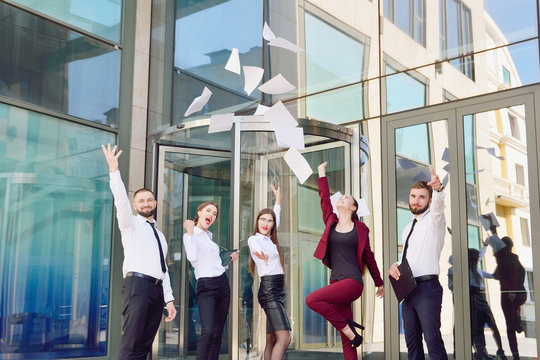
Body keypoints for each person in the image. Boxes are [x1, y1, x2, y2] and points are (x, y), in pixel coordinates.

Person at [101, 144, 177, 360]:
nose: (146, 203)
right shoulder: (130, 224)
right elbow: (120, 202)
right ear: (135, 205)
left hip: (156, 289)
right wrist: (114, 170)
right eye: (141, 201)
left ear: (155, 203)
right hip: (137, 287)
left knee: (145, 344)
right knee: (131, 342)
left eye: (149, 200)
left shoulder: (160, 235)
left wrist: (169, 300)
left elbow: (164, 270)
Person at [306, 162, 384, 360]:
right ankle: (350, 331)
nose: (341, 199)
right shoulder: (330, 222)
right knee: (347, 340)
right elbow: (324, 198)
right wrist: (321, 172)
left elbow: (369, 256)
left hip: (352, 282)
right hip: (336, 281)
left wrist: (379, 282)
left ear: (353, 207)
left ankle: (350, 331)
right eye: (340, 197)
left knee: (312, 299)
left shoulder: (361, 229)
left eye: (346, 198)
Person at [389, 167, 447, 360]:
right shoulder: (407, 228)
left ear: (429, 201)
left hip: (428, 289)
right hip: (409, 289)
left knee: (433, 341)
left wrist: (438, 190)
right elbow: (410, 257)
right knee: (412, 344)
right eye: (413, 196)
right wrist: (395, 265)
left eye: (422, 197)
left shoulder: (434, 221)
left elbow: (439, 207)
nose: (416, 200)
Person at [183, 202, 240, 360]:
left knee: (217, 333)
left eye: (215, 213)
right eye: (208, 211)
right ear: (199, 212)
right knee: (207, 331)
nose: (212, 215)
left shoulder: (210, 238)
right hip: (206, 286)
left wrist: (228, 261)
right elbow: (193, 258)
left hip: (222, 284)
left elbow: (214, 265)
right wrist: (189, 232)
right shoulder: (191, 235)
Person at [248, 184, 291, 360]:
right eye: (262, 220)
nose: (266, 223)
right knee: (285, 338)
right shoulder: (254, 239)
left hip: (278, 290)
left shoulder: (271, 240)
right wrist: (263, 257)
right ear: (257, 221)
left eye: (269, 221)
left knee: (272, 338)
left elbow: (277, 215)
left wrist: (278, 199)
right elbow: (258, 251)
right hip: (269, 290)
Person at [468, 248, 507, 360]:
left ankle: (500, 349)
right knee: (477, 328)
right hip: (473, 299)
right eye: (475, 259)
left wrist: (499, 268)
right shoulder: (466, 271)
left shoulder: (478, 270)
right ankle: (481, 352)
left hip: (482, 299)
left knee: (492, 324)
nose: (477, 261)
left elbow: (493, 276)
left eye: (477, 259)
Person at [492, 235, 526, 360]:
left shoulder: (504, 259)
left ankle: (515, 354)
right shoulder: (514, 258)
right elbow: (521, 273)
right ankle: (518, 314)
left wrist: (512, 290)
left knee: (510, 326)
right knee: (512, 321)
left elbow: (512, 274)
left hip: (509, 294)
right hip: (521, 293)